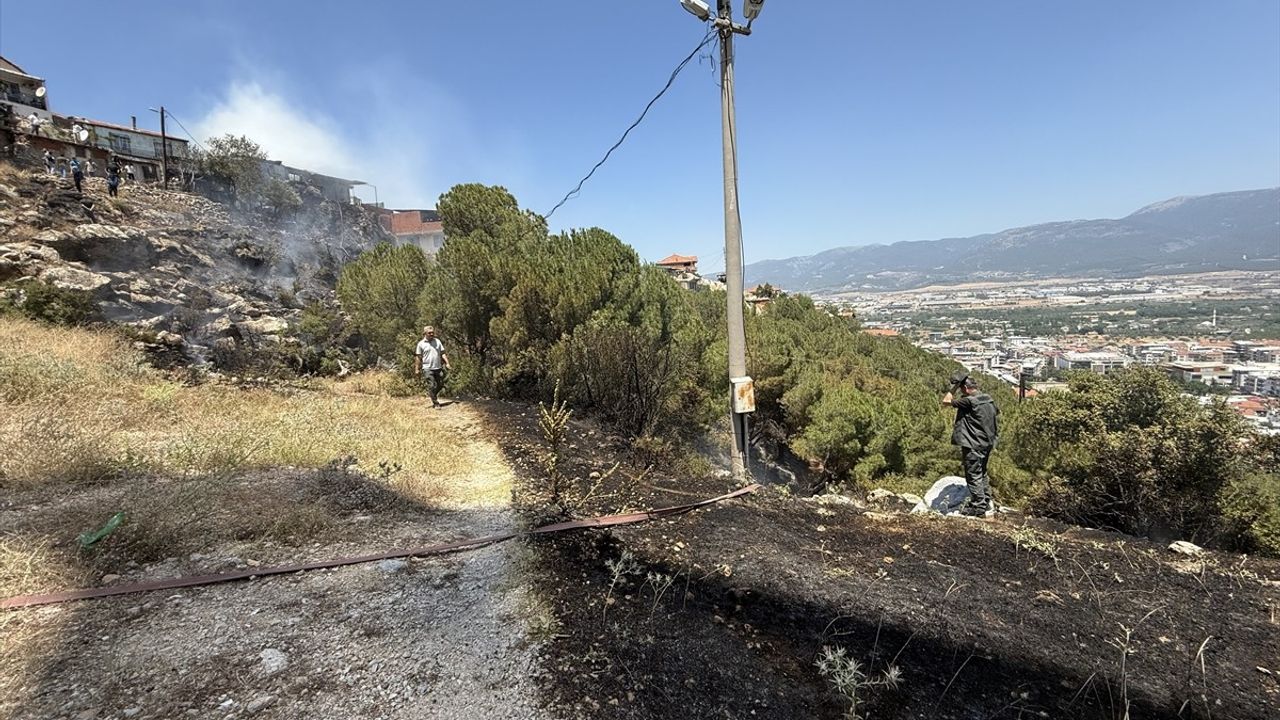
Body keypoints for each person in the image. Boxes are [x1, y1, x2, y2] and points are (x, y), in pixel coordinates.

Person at [941, 372, 1000, 517]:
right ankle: (985, 500)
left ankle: (978, 507)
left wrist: (954, 387)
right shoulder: (988, 399)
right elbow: (996, 413)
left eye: (962, 389)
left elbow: (946, 401)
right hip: (986, 443)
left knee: (973, 474)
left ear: (966, 389)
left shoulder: (969, 401)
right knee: (982, 473)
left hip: (973, 443)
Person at [414, 325, 451, 408]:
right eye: (429, 333)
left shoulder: (437, 341)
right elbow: (418, 357)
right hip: (427, 368)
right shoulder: (421, 344)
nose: (431, 334)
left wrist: (447, 363)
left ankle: (432, 394)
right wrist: (417, 369)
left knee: (441, 384)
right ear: (425, 333)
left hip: (438, 367)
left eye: (432, 332)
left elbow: (443, 353)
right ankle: (436, 403)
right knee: (432, 385)